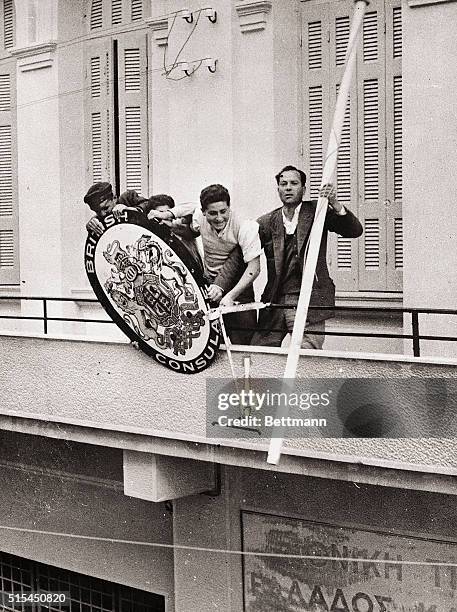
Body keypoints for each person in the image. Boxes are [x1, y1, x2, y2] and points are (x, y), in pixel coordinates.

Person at [250, 165, 363, 349]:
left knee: (307, 355)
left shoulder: (318, 212)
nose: (288, 188)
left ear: (303, 188)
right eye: (283, 183)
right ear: (278, 189)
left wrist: (335, 203)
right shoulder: (266, 222)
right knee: (260, 353)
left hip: (309, 299)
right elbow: (245, 255)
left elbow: (354, 230)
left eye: (294, 183)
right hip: (276, 300)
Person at [149, 184, 262, 345]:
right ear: (203, 212)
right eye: (212, 213)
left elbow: (254, 268)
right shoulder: (199, 217)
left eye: (223, 211)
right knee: (214, 345)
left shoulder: (244, 226)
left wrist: (231, 295)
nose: (219, 218)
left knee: (243, 345)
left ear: (229, 207)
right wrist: (167, 215)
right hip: (209, 288)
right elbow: (190, 208)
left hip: (239, 291)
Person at [83, 182, 152, 236]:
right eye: (97, 211)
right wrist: (91, 226)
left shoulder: (127, 198)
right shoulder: (99, 220)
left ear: (114, 198)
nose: (103, 214)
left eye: (106, 208)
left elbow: (148, 204)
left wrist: (129, 210)